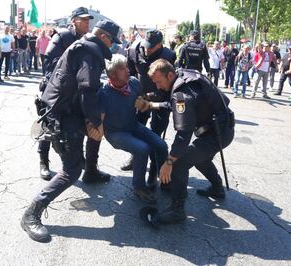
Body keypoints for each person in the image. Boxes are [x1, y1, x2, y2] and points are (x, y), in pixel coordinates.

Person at [21, 19, 122, 242]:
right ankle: (31, 214)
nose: (112, 46)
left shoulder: (83, 45)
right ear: (104, 36)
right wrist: (96, 123)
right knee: (71, 170)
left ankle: (92, 172)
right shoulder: (91, 52)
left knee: (90, 144)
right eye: (112, 41)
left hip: (65, 113)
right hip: (63, 118)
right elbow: (87, 92)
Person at [138, 59, 234, 224]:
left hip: (218, 133)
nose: (158, 87)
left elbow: (183, 134)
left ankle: (177, 210)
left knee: (180, 161)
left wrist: (169, 162)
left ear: (169, 74)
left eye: (159, 82)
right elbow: (174, 105)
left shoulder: (181, 94)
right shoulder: (182, 76)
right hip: (220, 127)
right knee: (198, 158)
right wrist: (152, 105)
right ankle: (217, 188)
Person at [39, 7, 110, 184]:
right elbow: (50, 64)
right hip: (58, 93)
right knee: (49, 128)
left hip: (78, 95)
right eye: (83, 19)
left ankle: (90, 167)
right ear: (73, 21)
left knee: (92, 125)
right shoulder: (62, 36)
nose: (87, 22)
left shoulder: (88, 40)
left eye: (88, 20)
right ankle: (43, 161)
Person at [100, 54, 168, 204]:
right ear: (112, 75)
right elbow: (98, 119)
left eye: (126, 66)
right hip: (115, 133)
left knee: (161, 145)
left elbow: (144, 99)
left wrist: (145, 102)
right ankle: (139, 187)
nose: (128, 70)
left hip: (133, 126)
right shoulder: (104, 92)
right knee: (142, 149)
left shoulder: (134, 83)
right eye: (122, 68)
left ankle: (162, 179)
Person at [122, 29, 175, 186]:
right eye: (146, 45)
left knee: (156, 136)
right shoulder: (133, 50)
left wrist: (153, 99)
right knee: (136, 130)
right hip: (140, 98)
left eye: (152, 46)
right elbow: (129, 75)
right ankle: (135, 156)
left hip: (161, 100)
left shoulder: (169, 55)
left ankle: (153, 171)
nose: (147, 49)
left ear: (160, 45)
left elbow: (170, 81)